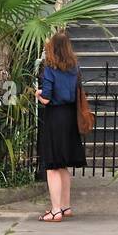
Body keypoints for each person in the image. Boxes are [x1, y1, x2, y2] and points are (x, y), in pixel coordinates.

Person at [35, 30, 85, 222]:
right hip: (70, 116)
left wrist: (38, 94)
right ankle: (65, 206)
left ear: (52, 48)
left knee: (53, 165)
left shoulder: (50, 68)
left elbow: (47, 98)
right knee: (63, 165)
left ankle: (55, 210)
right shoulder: (75, 67)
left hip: (56, 117)